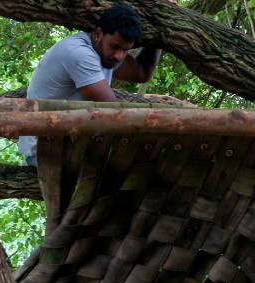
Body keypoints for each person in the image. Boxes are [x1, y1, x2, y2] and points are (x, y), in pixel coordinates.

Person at [19, 3, 162, 165]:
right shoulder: (79, 53)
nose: (119, 56)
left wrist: (159, 38)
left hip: (67, 145)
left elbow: (142, 73)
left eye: (126, 50)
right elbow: (116, 113)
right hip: (45, 152)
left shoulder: (106, 54)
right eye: (115, 47)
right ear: (98, 34)